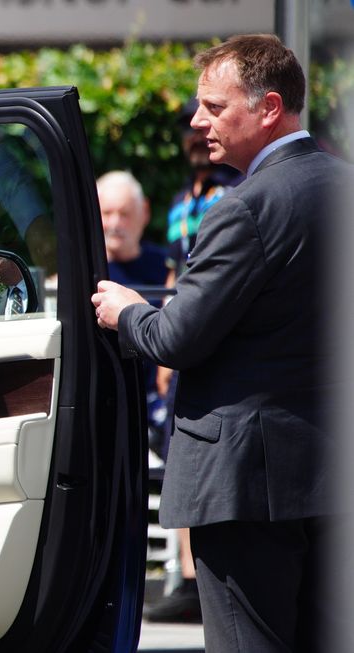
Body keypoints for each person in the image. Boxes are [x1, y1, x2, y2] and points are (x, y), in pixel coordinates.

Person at [91, 34, 351, 652]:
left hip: (245, 487)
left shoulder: (247, 207)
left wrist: (128, 311)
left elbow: (178, 336)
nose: (197, 120)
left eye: (213, 106)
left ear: (267, 108)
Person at [143, 100, 242, 625]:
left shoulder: (234, 193)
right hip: (182, 327)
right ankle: (186, 575)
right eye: (187, 133)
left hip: (208, 325)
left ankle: (197, 577)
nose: (195, 142)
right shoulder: (184, 199)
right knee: (178, 449)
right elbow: (174, 271)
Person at [96, 170, 169, 443]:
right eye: (107, 213)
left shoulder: (167, 268)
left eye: (125, 214)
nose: (116, 223)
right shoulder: (79, 274)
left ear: (145, 212)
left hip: (159, 403)